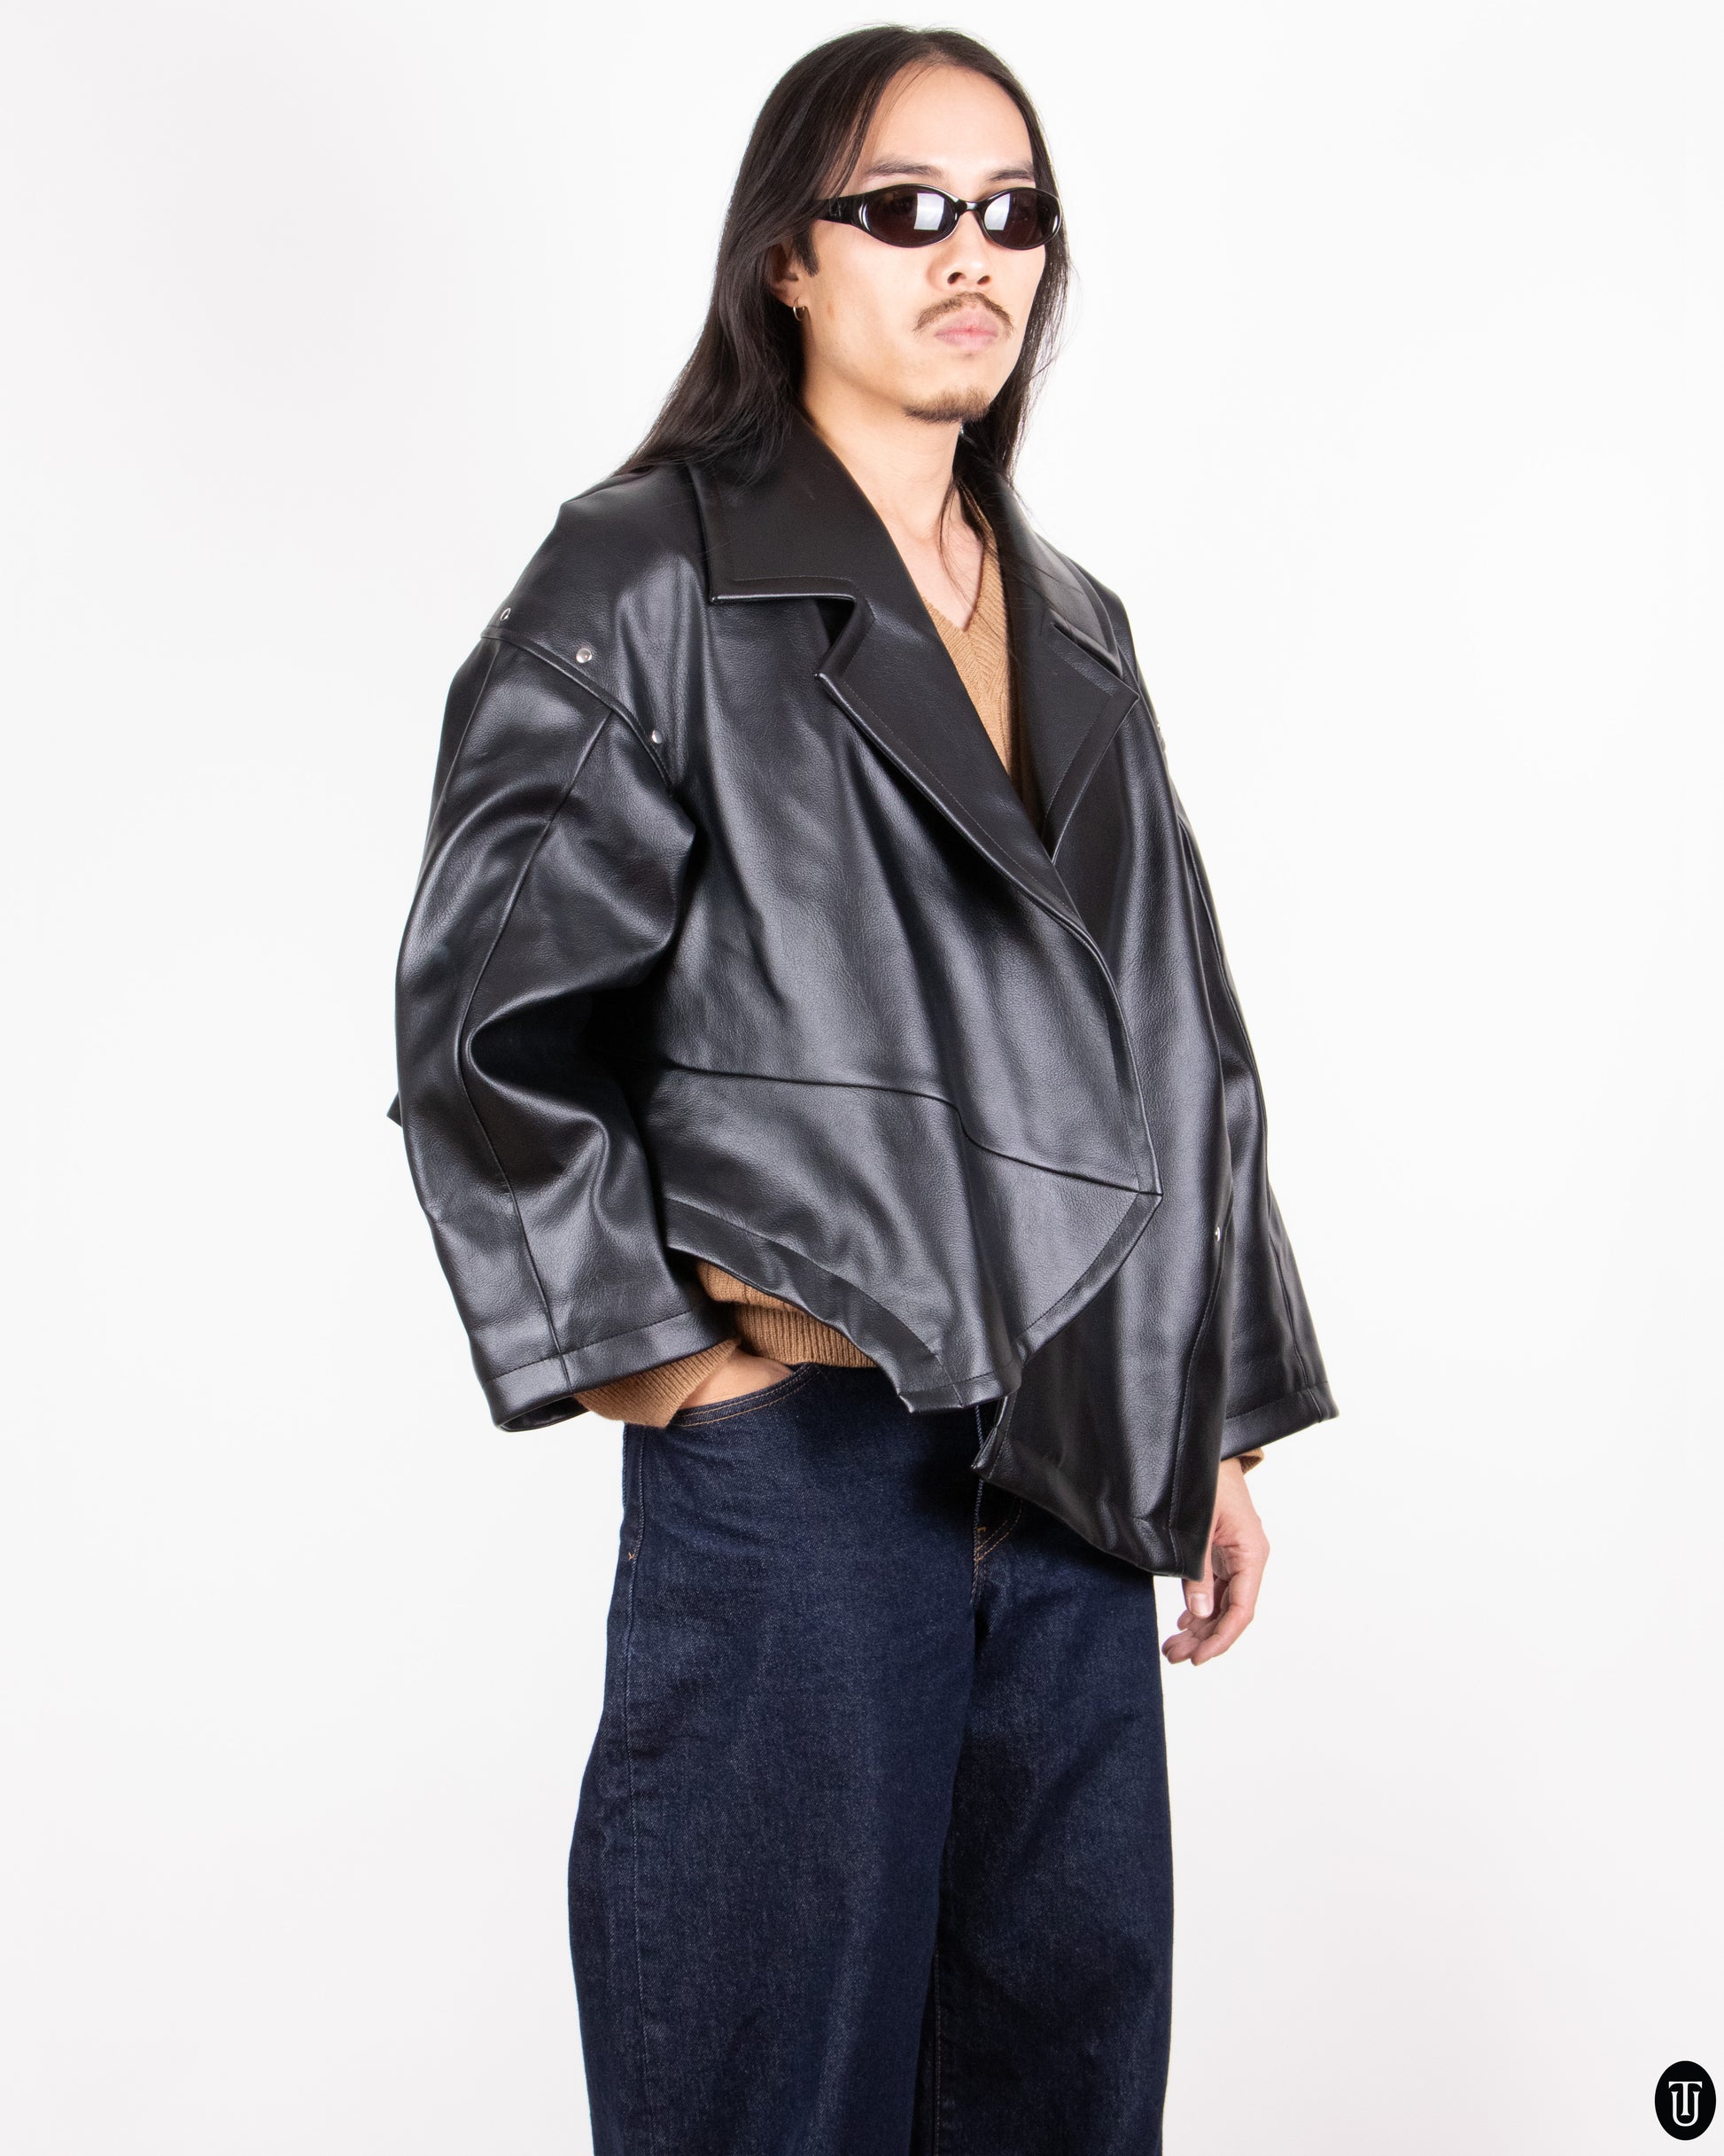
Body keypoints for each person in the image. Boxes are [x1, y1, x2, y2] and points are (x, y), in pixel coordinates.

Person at [392, 25, 1334, 2153]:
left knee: (1057, 2085)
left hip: (1074, 1472)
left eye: (1013, 211)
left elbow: (1176, 1033)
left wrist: (1208, 1415)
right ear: (790, 258)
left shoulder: (1075, 627)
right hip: (804, 1475)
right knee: (764, 2096)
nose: (969, 252)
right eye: (907, 209)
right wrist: (667, 1370)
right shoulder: (650, 571)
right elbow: (481, 1013)